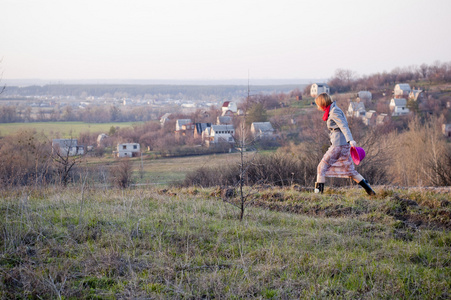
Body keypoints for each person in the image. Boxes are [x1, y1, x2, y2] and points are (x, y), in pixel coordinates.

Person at [314, 93, 375, 195]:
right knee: (350, 170)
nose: (317, 107)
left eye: (318, 104)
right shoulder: (332, 110)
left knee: (321, 167)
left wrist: (350, 140)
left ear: (322, 103)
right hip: (342, 145)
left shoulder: (334, 111)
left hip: (339, 145)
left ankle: (318, 195)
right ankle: (370, 192)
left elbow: (344, 126)